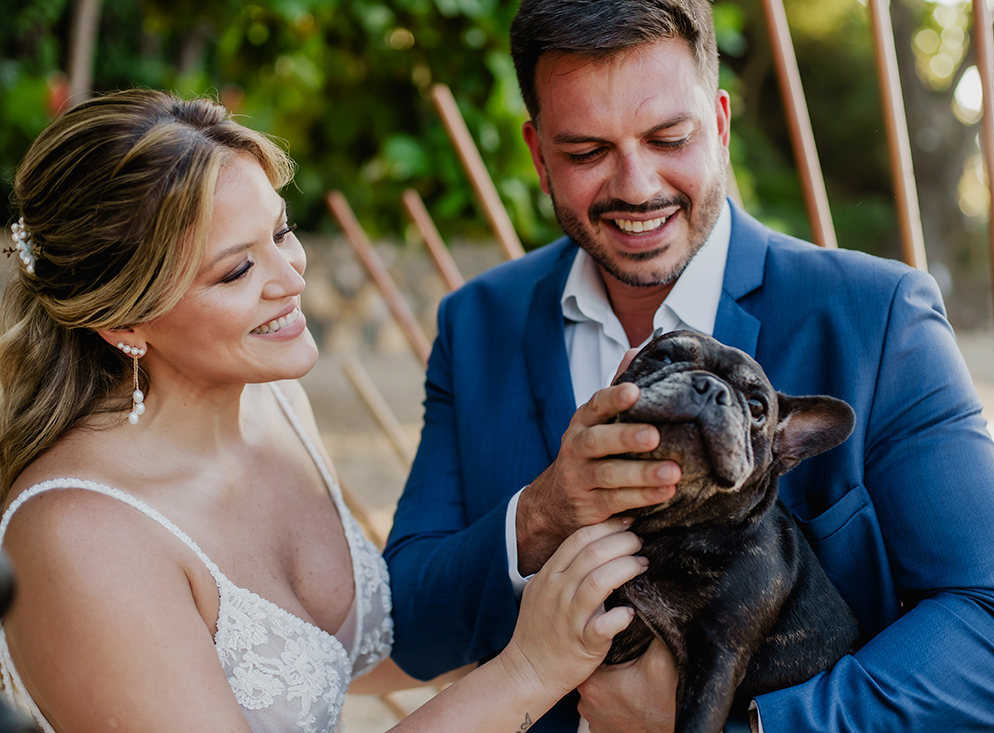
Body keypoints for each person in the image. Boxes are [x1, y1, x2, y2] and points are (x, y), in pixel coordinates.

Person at [382, 0, 994, 730]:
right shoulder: (476, 323)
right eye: (586, 152)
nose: (636, 186)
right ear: (538, 152)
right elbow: (404, 625)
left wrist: (751, 726)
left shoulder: (876, 314)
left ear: (719, 123)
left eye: (669, 138)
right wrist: (545, 511)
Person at [0, 88, 651, 733]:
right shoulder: (79, 536)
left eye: (281, 231)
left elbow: (346, 656)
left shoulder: (274, 402)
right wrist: (526, 673)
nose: (290, 275)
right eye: (236, 271)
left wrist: (551, 516)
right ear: (125, 321)